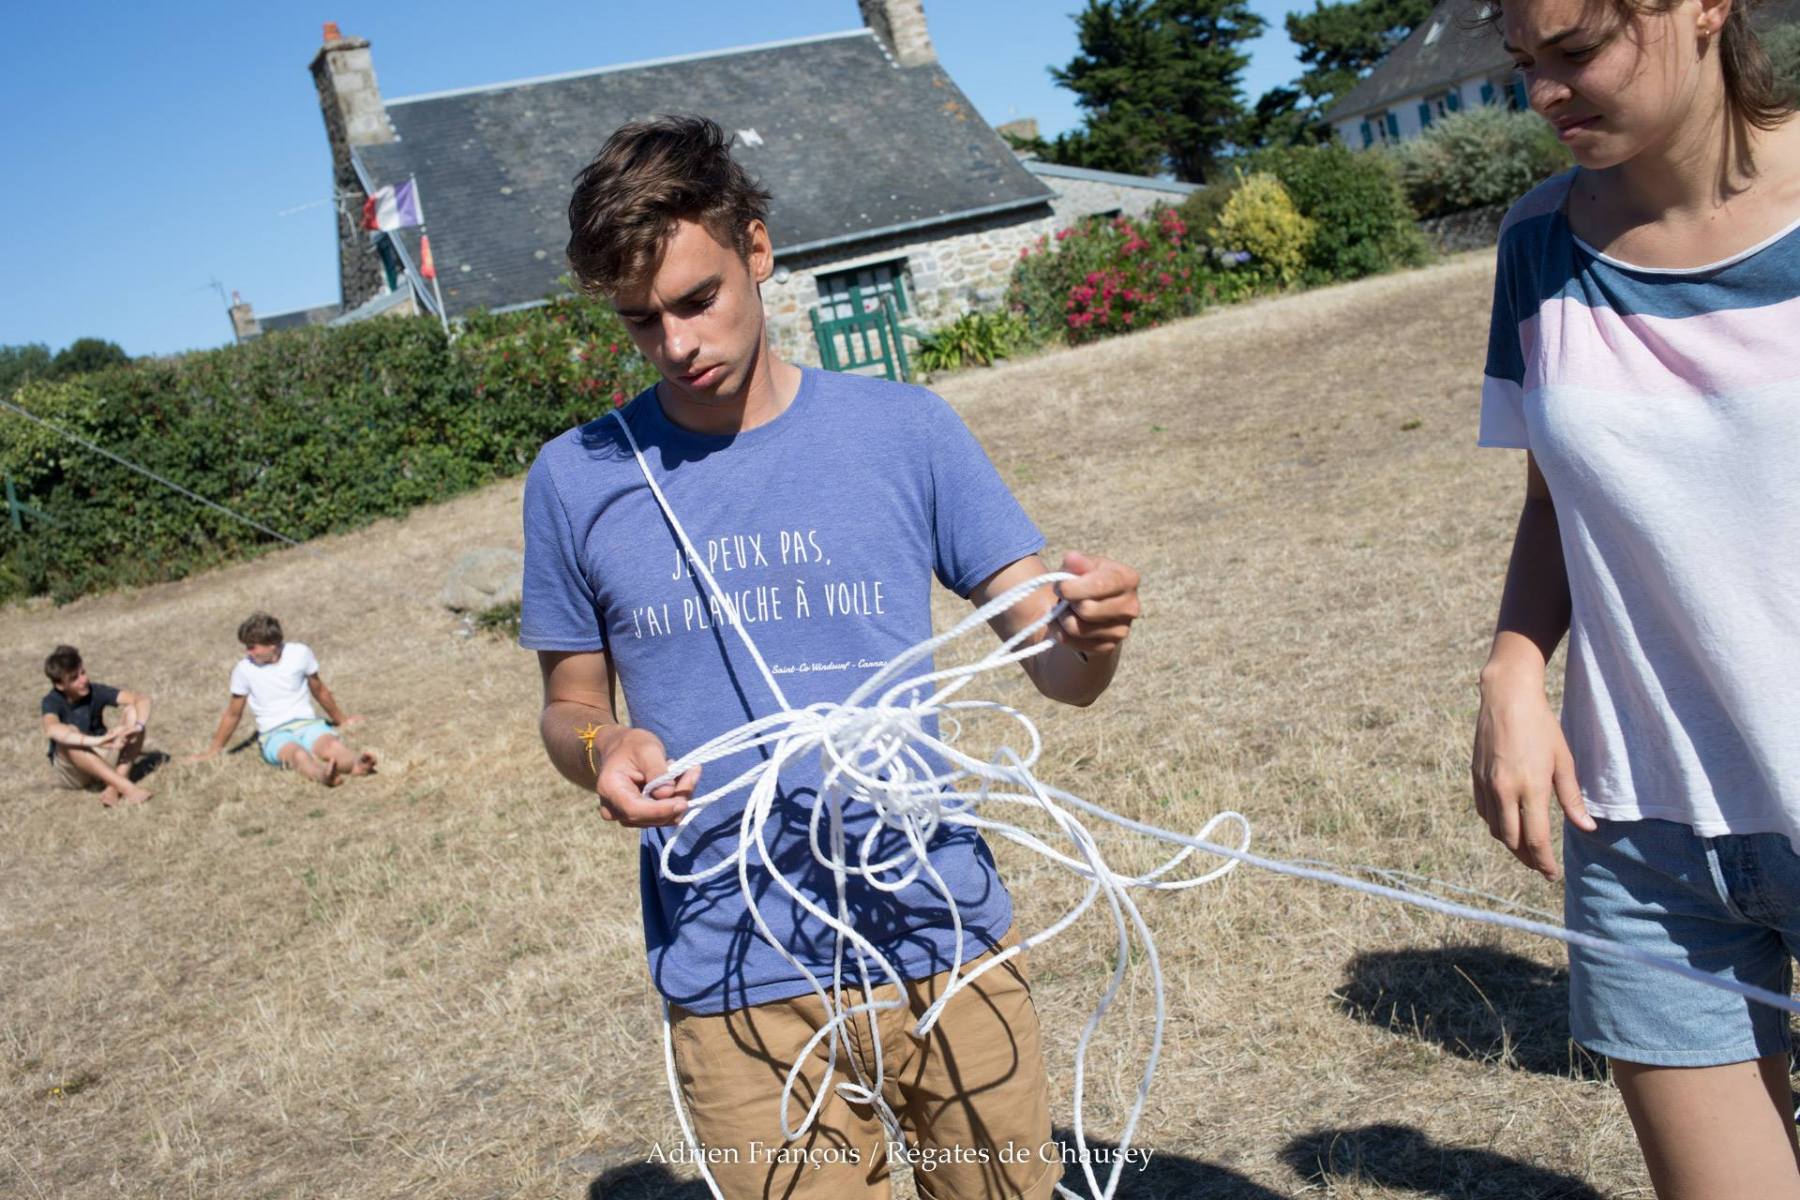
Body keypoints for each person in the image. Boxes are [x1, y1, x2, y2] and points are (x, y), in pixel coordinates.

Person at [522, 115, 1143, 1200]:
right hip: (738, 975)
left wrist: (1092, 637)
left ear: (757, 251)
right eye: (640, 321)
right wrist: (602, 746)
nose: (676, 344)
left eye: (697, 299)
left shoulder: (907, 431)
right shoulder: (578, 478)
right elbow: (568, 705)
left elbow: (1058, 671)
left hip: (941, 938)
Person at [1469, 0, 1800, 1194]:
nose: (1544, 95)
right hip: (1641, 838)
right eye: (1522, 63)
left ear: (1705, 7)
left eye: (1576, 53)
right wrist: (1513, 670)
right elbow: (1556, 499)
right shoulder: (1536, 241)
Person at [191, 612, 376, 787]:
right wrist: (213, 751)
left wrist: (342, 721)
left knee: (331, 746)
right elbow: (233, 714)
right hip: (274, 734)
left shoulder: (300, 653)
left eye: (252, 646)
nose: (248, 652)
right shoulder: (244, 670)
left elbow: (319, 690)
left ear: (272, 644)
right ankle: (323, 776)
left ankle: (358, 764)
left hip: (309, 725)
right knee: (298, 755)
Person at [40, 644, 154, 806]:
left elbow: (142, 699)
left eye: (83, 672)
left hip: (101, 754)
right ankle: (127, 788)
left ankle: (114, 785)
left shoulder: (95, 691)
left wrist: (138, 727)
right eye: (74, 678)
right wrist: (98, 741)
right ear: (60, 685)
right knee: (69, 736)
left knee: (133, 711)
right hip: (74, 770)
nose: (84, 680)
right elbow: (51, 729)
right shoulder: (52, 701)